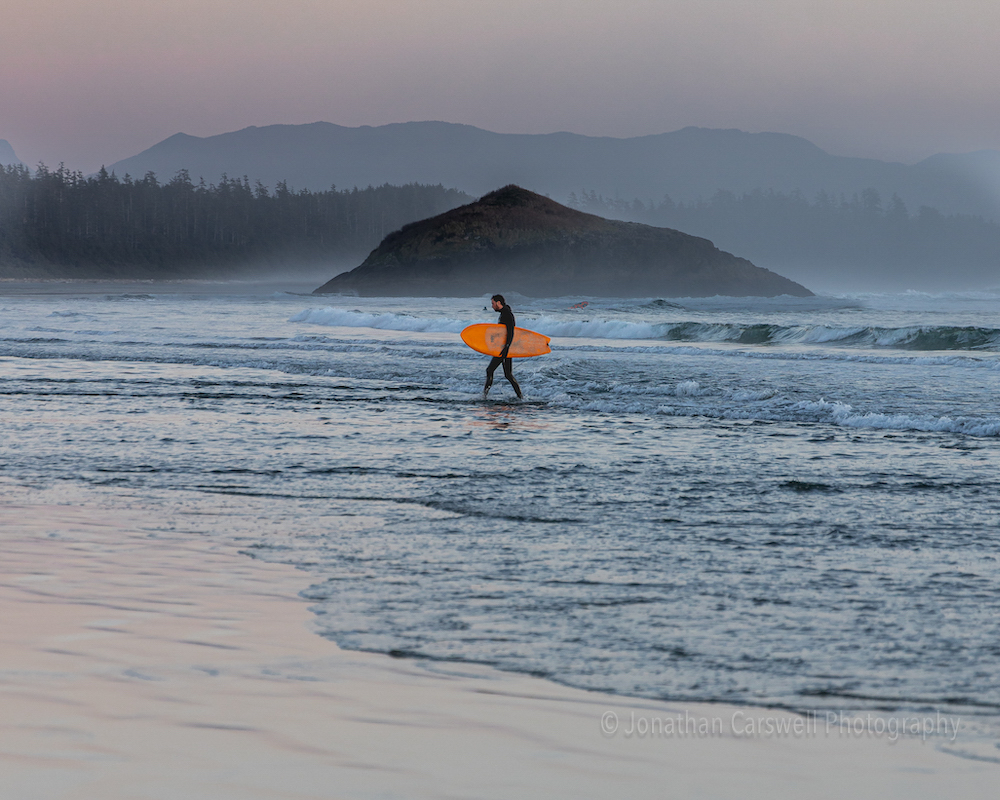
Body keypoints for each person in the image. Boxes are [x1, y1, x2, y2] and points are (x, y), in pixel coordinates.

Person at [483, 294, 523, 400]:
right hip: (505, 347)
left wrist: (506, 348)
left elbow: (511, 332)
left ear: (498, 303)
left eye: (493, 303)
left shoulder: (507, 314)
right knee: (508, 374)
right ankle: (520, 397)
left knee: (490, 370)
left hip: (504, 348)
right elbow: (503, 333)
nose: (492, 306)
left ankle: (484, 396)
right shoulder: (504, 312)